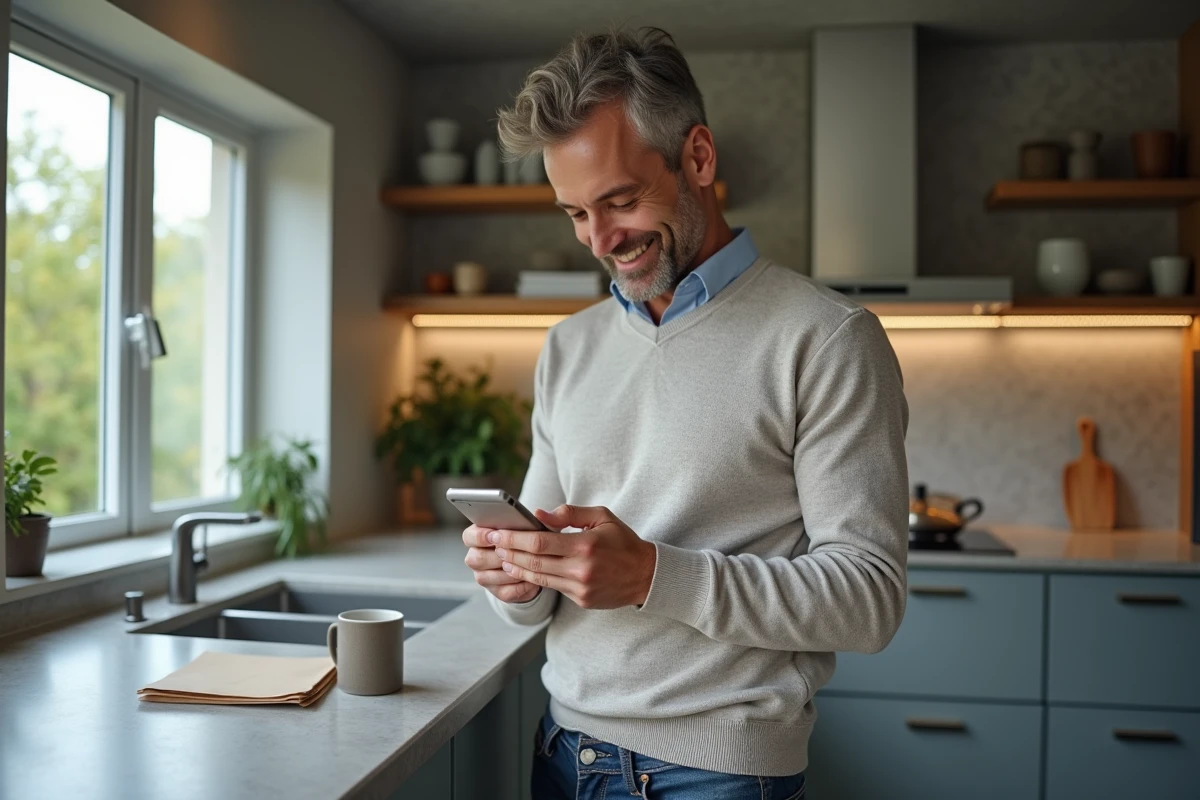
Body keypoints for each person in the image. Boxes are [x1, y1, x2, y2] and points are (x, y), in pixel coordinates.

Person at [461, 26, 909, 800]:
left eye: (621, 200)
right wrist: (519, 577)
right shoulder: (568, 347)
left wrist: (652, 577)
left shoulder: (827, 338)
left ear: (697, 158)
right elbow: (535, 594)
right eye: (574, 213)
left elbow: (868, 601)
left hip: (720, 773)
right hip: (565, 753)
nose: (601, 241)